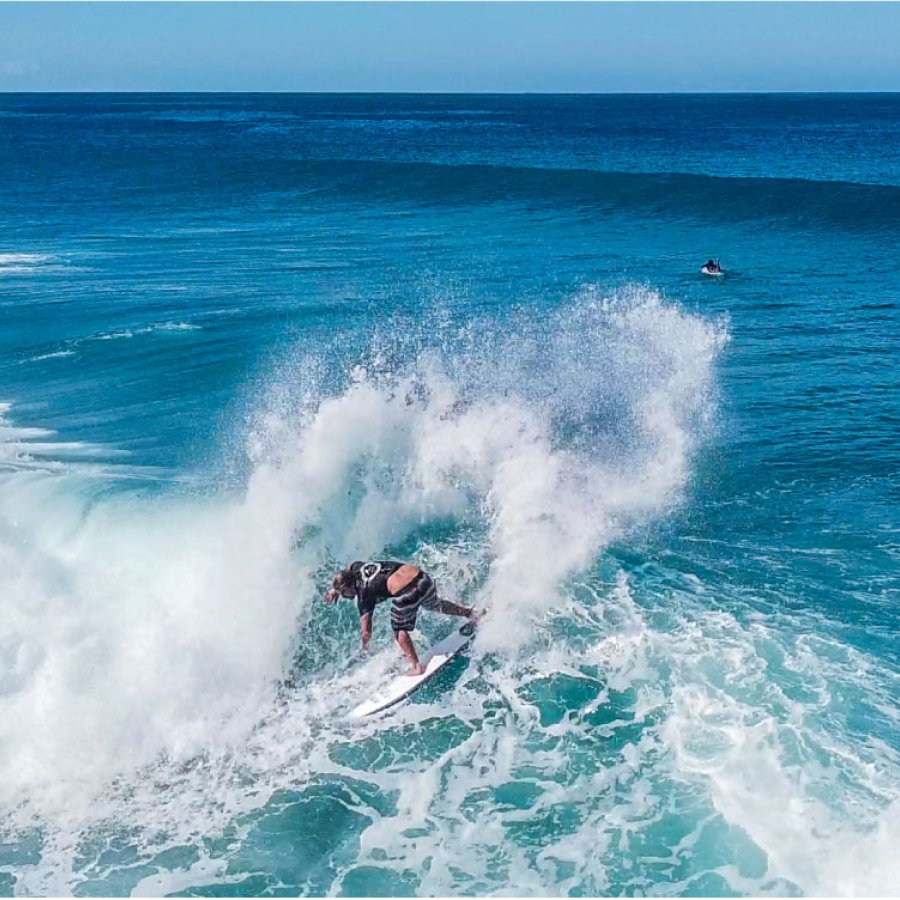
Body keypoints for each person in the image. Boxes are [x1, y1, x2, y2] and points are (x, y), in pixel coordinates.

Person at [324, 560, 482, 675]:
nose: (344, 597)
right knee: (434, 604)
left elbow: (366, 631)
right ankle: (472, 613)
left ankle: (416, 667)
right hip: (423, 578)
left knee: (399, 630)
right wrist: (334, 590)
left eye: (343, 594)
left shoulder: (363, 594)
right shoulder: (355, 569)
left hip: (408, 592)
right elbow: (349, 565)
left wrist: (364, 646)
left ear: (349, 587)